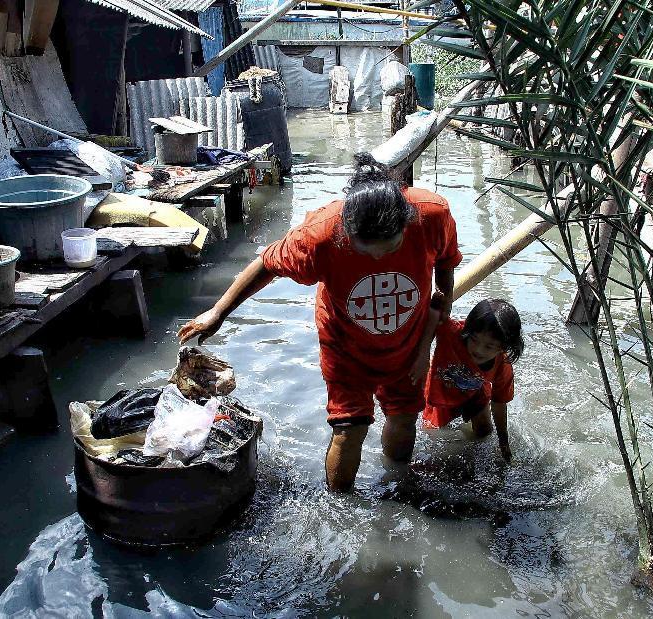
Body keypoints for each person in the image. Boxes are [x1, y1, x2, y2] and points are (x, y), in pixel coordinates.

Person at [178, 152, 462, 491]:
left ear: (406, 224)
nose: (378, 259)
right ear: (347, 233)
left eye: (389, 249)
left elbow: (445, 272)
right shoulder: (319, 235)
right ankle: (341, 506)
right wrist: (218, 311)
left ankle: (398, 486)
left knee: (404, 418)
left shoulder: (432, 215)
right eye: (366, 250)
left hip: (409, 340)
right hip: (346, 347)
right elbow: (267, 264)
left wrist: (426, 346)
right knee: (349, 428)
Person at [420, 299, 523, 462]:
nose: (478, 350)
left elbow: (499, 403)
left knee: (484, 432)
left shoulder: (502, 365)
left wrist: (504, 443)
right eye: (474, 340)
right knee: (434, 438)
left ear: (503, 347)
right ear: (468, 332)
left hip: (475, 391)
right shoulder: (451, 333)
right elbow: (427, 317)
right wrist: (434, 304)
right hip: (443, 390)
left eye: (489, 347)